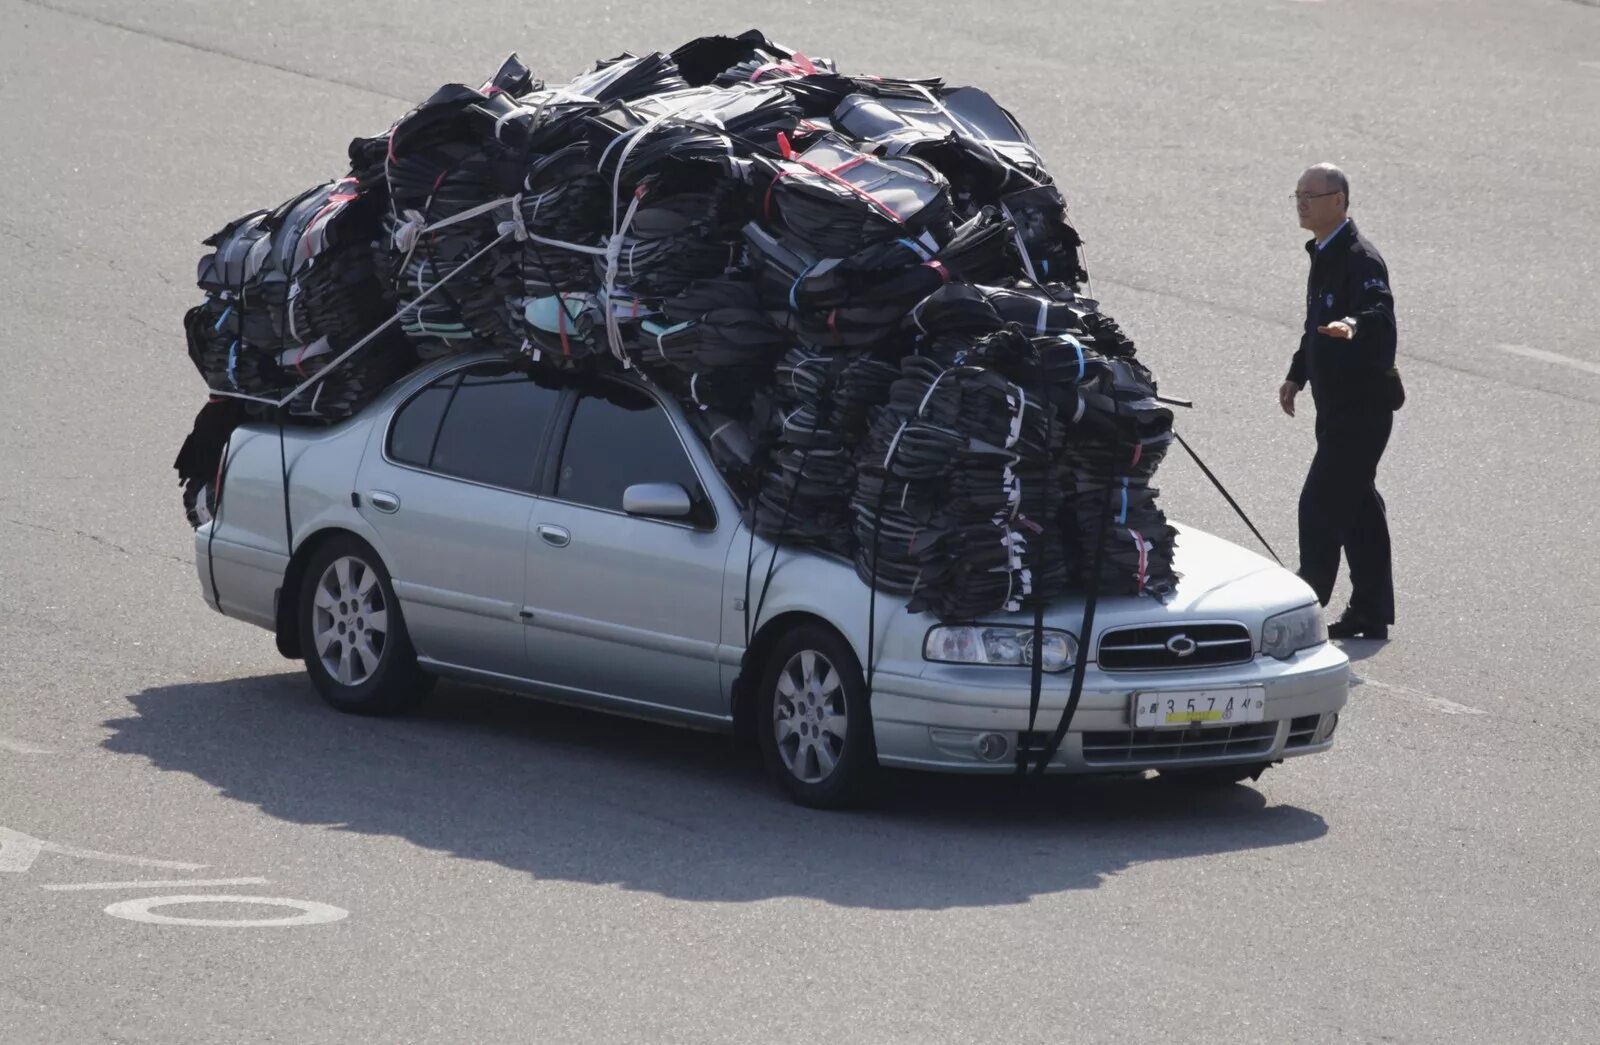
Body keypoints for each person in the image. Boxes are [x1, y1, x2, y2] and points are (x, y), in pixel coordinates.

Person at [1278, 163, 1398, 640]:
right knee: (1357, 508)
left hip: (1362, 410)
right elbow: (1316, 324)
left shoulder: (1360, 258)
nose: (1302, 203)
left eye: (1311, 194)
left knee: (1321, 502)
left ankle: (1306, 603)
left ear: (1339, 201)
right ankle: (1370, 610)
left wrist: (1353, 327)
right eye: (1298, 195)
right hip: (1335, 408)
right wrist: (1297, 372)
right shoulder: (1324, 253)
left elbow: (1379, 318)